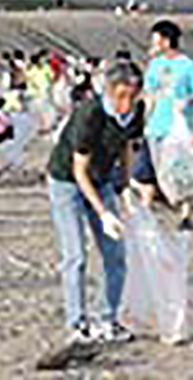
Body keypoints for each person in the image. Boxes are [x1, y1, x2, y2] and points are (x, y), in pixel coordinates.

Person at [47, 62, 145, 345]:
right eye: (121, 96)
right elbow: (79, 171)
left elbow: (127, 146)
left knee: (116, 255)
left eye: (132, 96)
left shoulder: (136, 112)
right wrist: (103, 213)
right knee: (75, 255)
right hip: (66, 181)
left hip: (102, 180)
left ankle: (107, 320)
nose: (126, 103)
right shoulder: (91, 113)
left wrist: (125, 186)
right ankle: (77, 324)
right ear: (110, 92)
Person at [135, 20, 193, 228]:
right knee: (144, 173)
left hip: (178, 129)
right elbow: (149, 95)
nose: (152, 43)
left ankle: (186, 215)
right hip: (154, 127)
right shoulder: (154, 65)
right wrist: (143, 120)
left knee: (180, 173)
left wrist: (186, 102)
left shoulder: (188, 65)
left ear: (166, 41)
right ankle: (146, 213)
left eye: (155, 39)